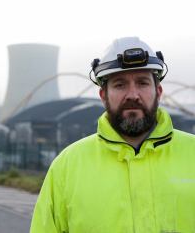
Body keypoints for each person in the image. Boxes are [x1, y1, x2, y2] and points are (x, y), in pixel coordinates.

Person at [30, 37, 195, 233]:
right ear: (103, 96)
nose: (133, 95)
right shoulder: (66, 167)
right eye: (120, 85)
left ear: (158, 93)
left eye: (142, 83)